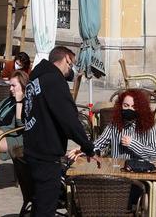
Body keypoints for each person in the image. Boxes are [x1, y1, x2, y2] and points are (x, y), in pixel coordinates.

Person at [23, 45, 95, 216]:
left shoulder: (36, 78)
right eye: (71, 65)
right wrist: (87, 145)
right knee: (45, 209)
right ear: (66, 59)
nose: (72, 70)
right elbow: (69, 119)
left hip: (32, 150)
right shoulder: (54, 81)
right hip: (47, 155)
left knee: (39, 205)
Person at [89, 89, 156, 163]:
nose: (129, 109)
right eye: (126, 106)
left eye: (134, 106)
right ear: (121, 106)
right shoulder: (114, 125)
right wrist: (85, 149)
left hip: (139, 169)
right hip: (117, 169)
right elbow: (99, 144)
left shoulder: (148, 126)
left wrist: (133, 144)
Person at [0, 70, 28, 160]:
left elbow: (20, 125)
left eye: (13, 85)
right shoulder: (8, 100)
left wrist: (19, 102)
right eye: (10, 85)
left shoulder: (27, 103)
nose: (10, 89)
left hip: (16, 137)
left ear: (23, 86)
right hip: (2, 132)